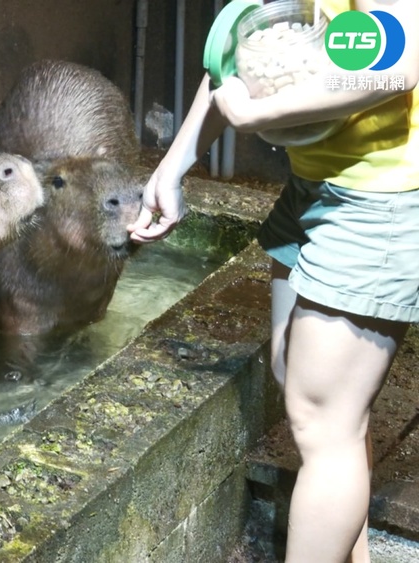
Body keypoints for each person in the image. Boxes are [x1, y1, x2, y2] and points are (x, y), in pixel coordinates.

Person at [127, 1, 418, 561]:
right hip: (316, 181)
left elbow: (396, 63)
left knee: (323, 419)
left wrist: (264, 115)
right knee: (307, 390)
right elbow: (240, 55)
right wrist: (174, 165)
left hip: (379, 199)